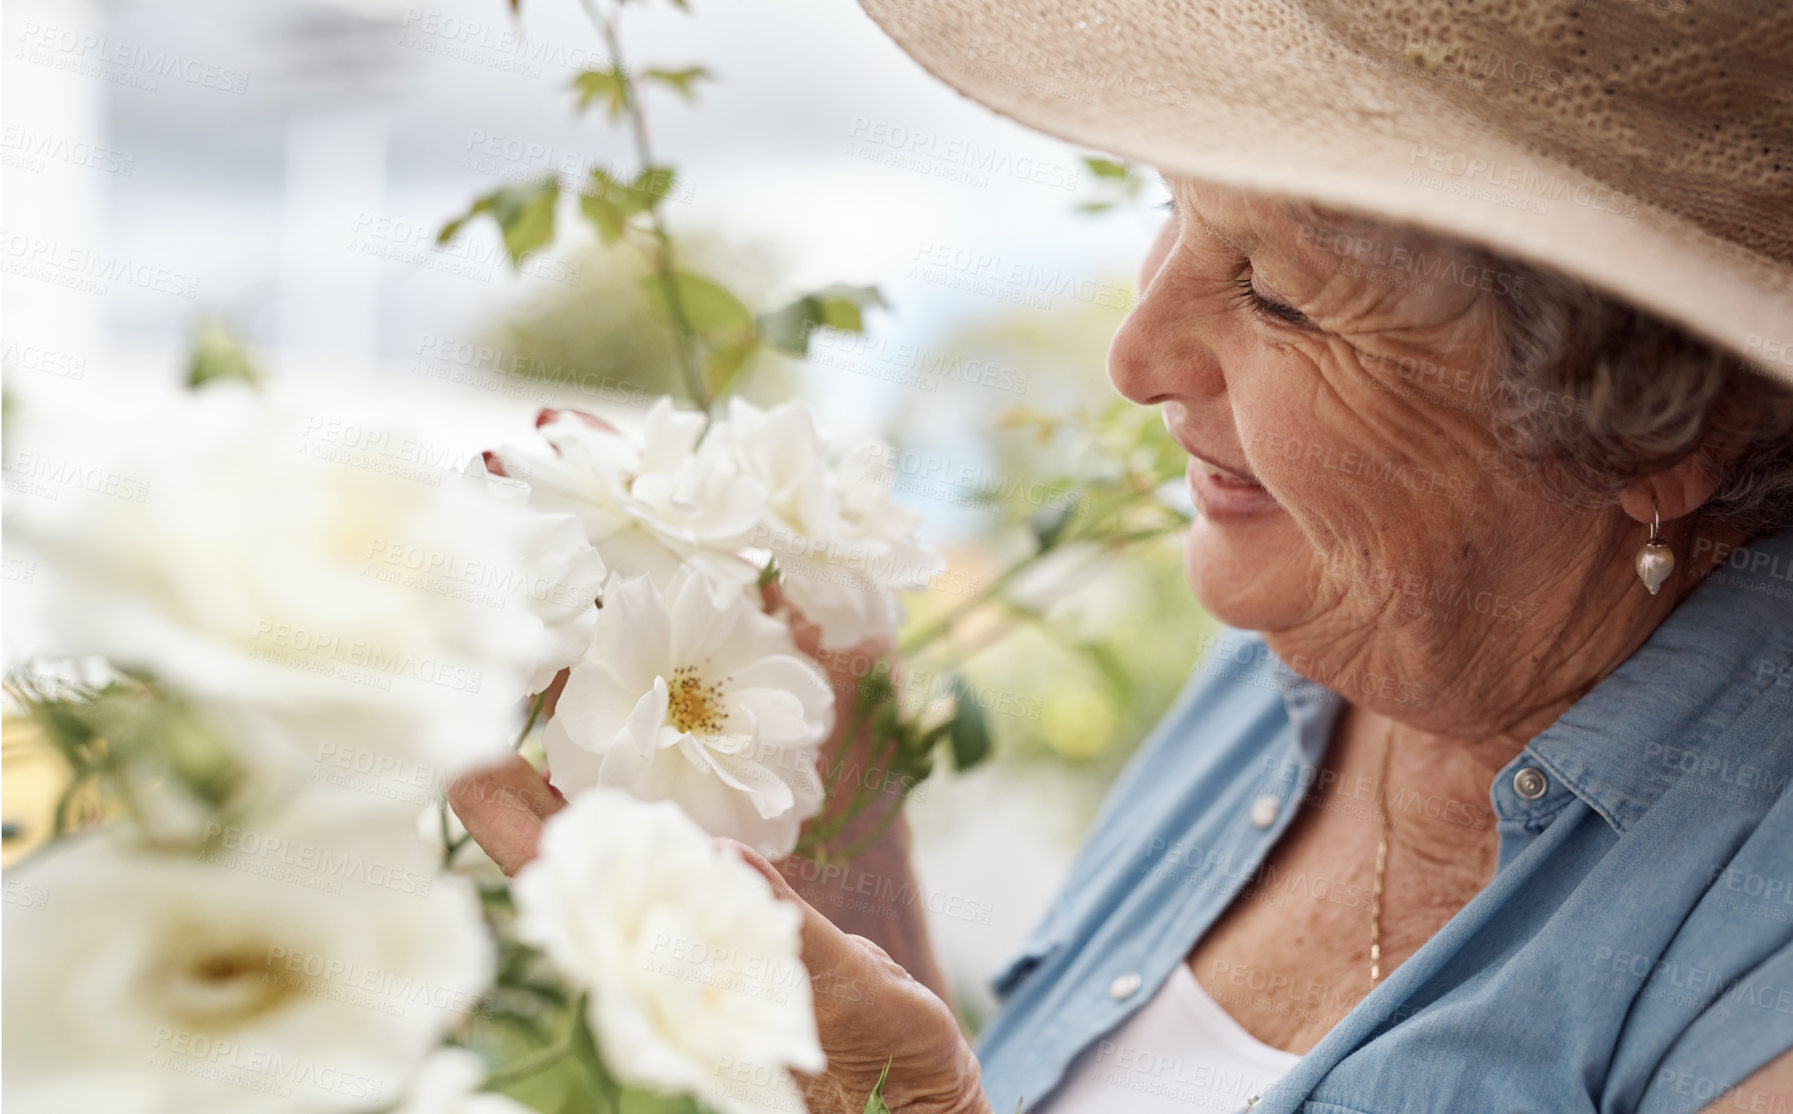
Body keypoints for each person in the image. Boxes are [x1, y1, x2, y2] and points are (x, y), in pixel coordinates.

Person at [453, 1, 1793, 1111]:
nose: (1135, 354)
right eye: (1171, 212)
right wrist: (829, 825)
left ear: (1655, 427)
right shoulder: (1320, 643)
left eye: (1275, 289)